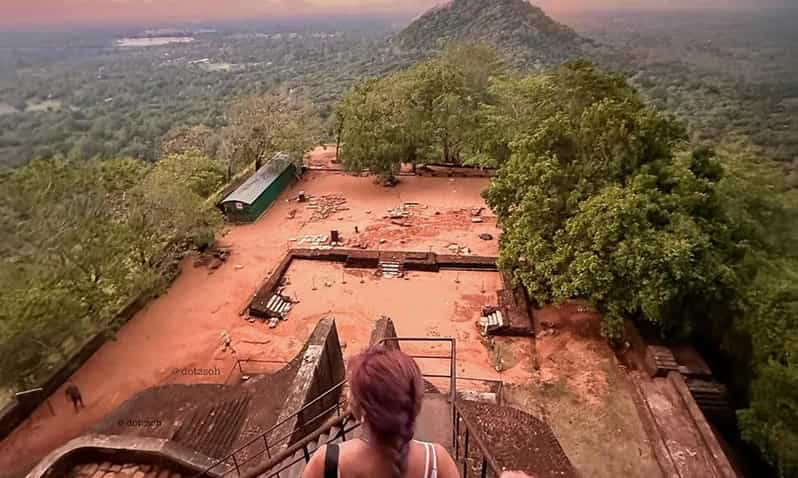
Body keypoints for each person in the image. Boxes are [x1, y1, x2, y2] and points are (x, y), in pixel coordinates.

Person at [302, 346, 459, 478]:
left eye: (351, 390)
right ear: (415, 405)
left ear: (362, 411)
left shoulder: (325, 463)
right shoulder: (438, 463)